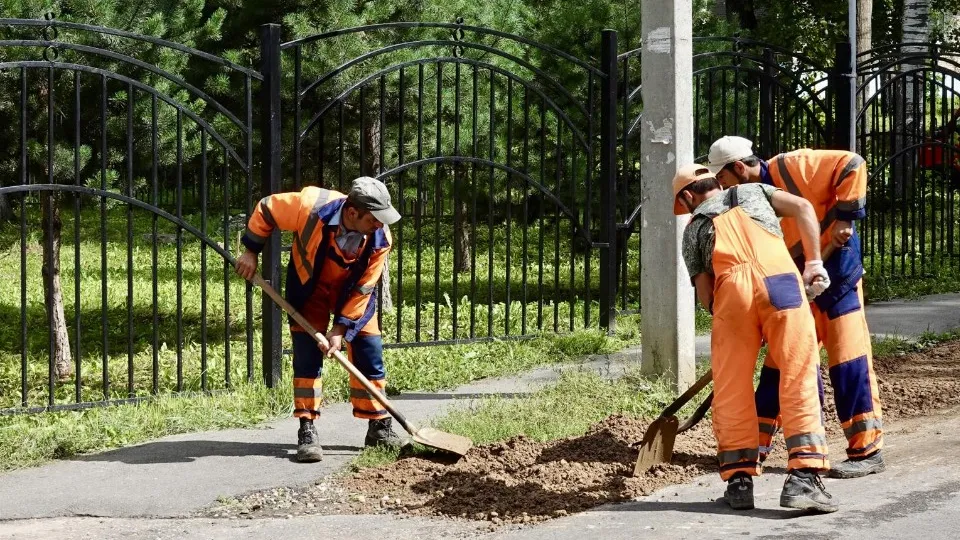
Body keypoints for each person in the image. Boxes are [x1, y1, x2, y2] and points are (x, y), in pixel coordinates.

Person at [706, 136, 885, 479]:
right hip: (794, 290)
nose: (722, 186)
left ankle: (867, 449)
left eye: (724, 179)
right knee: (780, 367)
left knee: (849, 362)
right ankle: (752, 448)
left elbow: (852, 164)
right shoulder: (746, 202)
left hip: (838, 278)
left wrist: (846, 218)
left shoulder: (792, 166)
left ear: (739, 167)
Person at [674, 163, 837, 512]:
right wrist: (813, 264)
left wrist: (740, 318)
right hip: (781, 279)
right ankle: (804, 479)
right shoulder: (753, 190)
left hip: (731, 294)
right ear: (716, 183)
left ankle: (739, 481)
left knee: (732, 384)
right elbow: (805, 208)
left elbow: (705, 293)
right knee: (797, 374)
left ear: (688, 196)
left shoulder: (692, 230)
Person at [235, 176, 403, 462]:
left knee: (368, 349)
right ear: (352, 212)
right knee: (307, 354)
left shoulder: (380, 238)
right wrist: (251, 251)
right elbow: (266, 208)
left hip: (351, 294)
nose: (379, 225)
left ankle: (379, 425)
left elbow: (365, 287)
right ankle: (307, 428)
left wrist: (340, 328)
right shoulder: (310, 206)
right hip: (309, 287)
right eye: (374, 219)